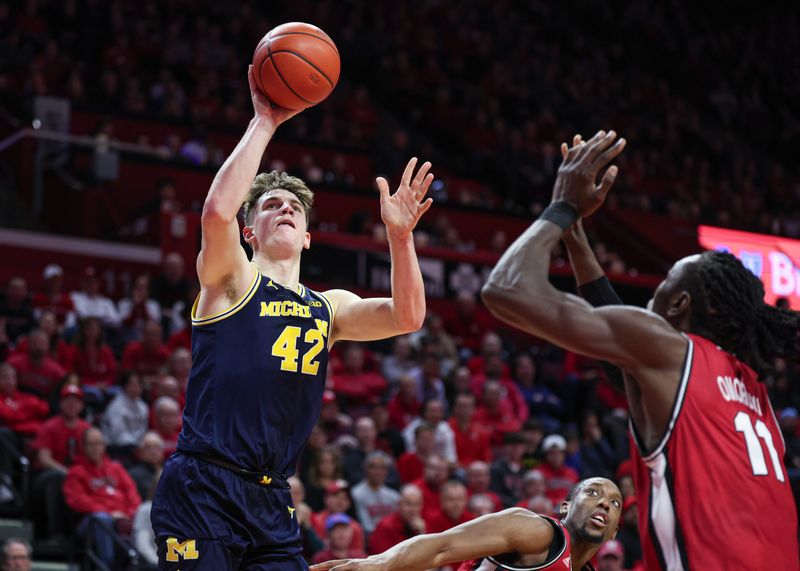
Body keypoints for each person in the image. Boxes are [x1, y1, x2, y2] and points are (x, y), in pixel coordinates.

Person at [151, 64, 434, 570]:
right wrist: (265, 119)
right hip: (204, 484)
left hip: (273, 497)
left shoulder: (328, 306)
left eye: (294, 209)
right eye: (270, 205)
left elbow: (408, 316)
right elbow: (216, 213)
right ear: (249, 232)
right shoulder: (233, 279)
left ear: (306, 237)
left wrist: (400, 238)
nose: (284, 209)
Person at [480, 130, 799, 569]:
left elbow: (506, 290)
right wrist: (576, 240)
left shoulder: (671, 352)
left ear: (680, 303)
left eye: (663, 283)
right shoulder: (752, 391)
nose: (650, 298)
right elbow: (622, 356)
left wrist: (562, 207)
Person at [310, 477, 621, 571]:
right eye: (592, 493)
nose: (604, 503)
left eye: (615, 502)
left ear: (615, 530)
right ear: (565, 506)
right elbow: (442, 545)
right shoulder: (538, 532)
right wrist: (377, 564)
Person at [63, 427, 141, 569]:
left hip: (121, 518)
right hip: (90, 522)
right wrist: (108, 513)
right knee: (101, 519)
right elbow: (76, 500)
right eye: (91, 444)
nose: (96, 448)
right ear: (84, 447)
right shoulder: (76, 472)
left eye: (99, 443)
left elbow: (132, 493)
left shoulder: (116, 468)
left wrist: (128, 514)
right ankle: (107, 565)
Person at [366, 485, 426, 555]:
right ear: (399, 504)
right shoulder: (385, 526)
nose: (413, 510)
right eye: (408, 504)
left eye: (417, 505)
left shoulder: (421, 526)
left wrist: (421, 534)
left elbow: (427, 557)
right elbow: (381, 559)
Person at [351, 451, 400, 534]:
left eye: (382, 468)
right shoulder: (356, 493)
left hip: (391, 537)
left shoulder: (394, 496)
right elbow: (366, 526)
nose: (378, 472)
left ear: (387, 471)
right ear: (366, 468)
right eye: (373, 467)